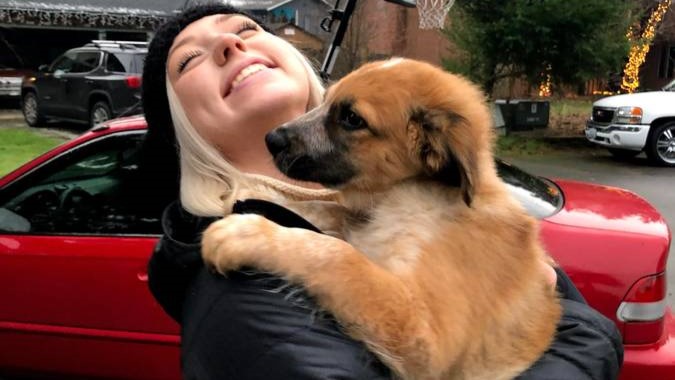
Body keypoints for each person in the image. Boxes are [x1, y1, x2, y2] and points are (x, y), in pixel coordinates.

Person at [140, 3, 623, 379]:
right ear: (185, 133)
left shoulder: (394, 198)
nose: (229, 43)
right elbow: (421, 346)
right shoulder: (241, 286)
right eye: (189, 59)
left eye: (246, 28)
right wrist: (587, 334)